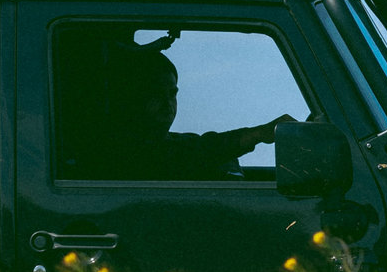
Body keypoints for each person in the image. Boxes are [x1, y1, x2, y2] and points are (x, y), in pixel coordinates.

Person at [75, 42, 289, 181]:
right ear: (131, 98)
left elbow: (196, 148)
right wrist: (256, 134)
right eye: (156, 94)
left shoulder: (171, 142)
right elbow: (195, 153)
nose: (168, 103)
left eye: (172, 94)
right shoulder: (118, 149)